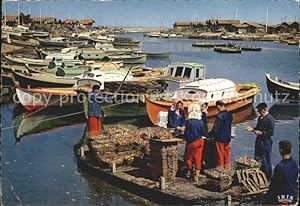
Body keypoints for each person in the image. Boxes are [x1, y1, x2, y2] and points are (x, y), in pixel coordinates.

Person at [246, 103, 275, 180]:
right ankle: (259, 176)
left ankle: (267, 177)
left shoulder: (270, 119)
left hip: (266, 141)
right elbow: (258, 128)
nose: (258, 112)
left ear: (265, 109)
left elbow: (271, 132)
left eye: (259, 110)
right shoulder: (260, 118)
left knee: (265, 159)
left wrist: (261, 133)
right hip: (259, 140)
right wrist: (252, 129)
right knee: (257, 157)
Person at [266, 140, 298, 204]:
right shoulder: (294, 164)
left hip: (283, 198)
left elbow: (274, 185)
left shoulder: (279, 167)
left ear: (281, 150)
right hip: (292, 195)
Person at [183, 104, 206, 182]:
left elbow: (186, 133)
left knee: (187, 159)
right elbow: (203, 132)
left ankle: (192, 174)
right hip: (200, 141)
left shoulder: (189, 122)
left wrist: (185, 138)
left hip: (192, 142)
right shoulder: (201, 121)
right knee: (198, 159)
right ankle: (197, 176)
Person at [210, 100, 233, 168]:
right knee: (226, 154)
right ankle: (227, 168)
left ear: (218, 106)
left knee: (220, 154)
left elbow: (216, 129)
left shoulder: (220, 116)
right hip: (227, 137)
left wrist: (210, 134)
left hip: (220, 138)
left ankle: (221, 169)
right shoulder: (229, 114)